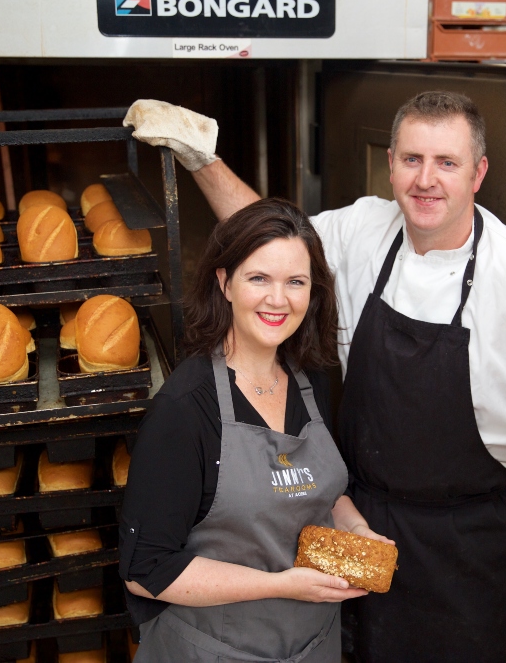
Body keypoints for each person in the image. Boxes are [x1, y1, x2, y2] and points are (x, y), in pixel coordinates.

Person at [123, 93, 506, 662]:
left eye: (447, 163)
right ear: (390, 164)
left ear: (479, 172)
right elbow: (273, 248)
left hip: (458, 546)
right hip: (347, 521)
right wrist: (200, 158)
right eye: (412, 159)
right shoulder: (363, 230)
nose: (426, 180)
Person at [119, 198, 393, 662]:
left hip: (313, 647)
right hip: (216, 650)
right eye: (259, 278)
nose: (278, 299)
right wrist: (282, 586)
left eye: (296, 282)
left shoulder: (313, 381)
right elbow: (145, 570)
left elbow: (323, 492)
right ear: (225, 283)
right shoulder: (185, 411)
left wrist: (357, 528)